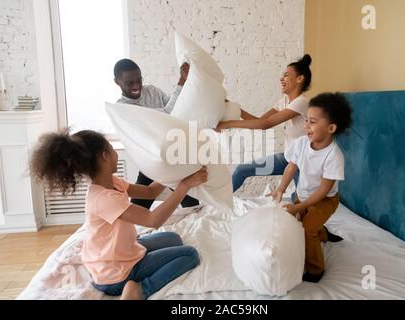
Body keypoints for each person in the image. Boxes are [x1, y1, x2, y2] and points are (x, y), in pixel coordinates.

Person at [29, 129, 207, 299]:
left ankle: (133, 256)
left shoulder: (111, 183)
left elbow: (150, 192)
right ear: (105, 156)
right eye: (112, 149)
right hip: (114, 276)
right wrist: (185, 186)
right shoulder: (104, 198)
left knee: (173, 238)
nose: (116, 153)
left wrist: (174, 171)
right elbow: (153, 220)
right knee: (189, 254)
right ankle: (141, 290)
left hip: (118, 254)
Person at [268, 92, 352, 283]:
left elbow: (323, 191)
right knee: (303, 220)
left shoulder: (333, 156)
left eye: (312, 122)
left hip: (325, 200)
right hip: (303, 194)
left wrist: (298, 207)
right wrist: (281, 189)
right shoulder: (301, 144)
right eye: (306, 120)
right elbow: (291, 166)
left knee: (307, 228)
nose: (306, 126)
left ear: (331, 128)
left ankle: (316, 270)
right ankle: (323, 233)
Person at [215, 55, 313, 197]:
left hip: (302, 164)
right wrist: (233, 107)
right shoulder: (284, 101)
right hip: (288, 158)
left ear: (299, 79)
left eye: (286, 75)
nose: (281, 78)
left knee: (298, 203)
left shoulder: (301, 102)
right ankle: (219, 200)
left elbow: (265, 125)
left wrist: (227, 124)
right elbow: (259, 120)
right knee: (242, 170)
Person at [114, 58, 199, 208]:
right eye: (129, 83)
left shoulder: (152, 90)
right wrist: (181, 82)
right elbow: (166, 114)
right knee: (138, 209)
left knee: (192, 204)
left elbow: (176, 107)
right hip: (149, 163)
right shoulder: (123, 108)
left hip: (171, 157)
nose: (136, 86)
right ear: (117, 82)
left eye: (139, 80)